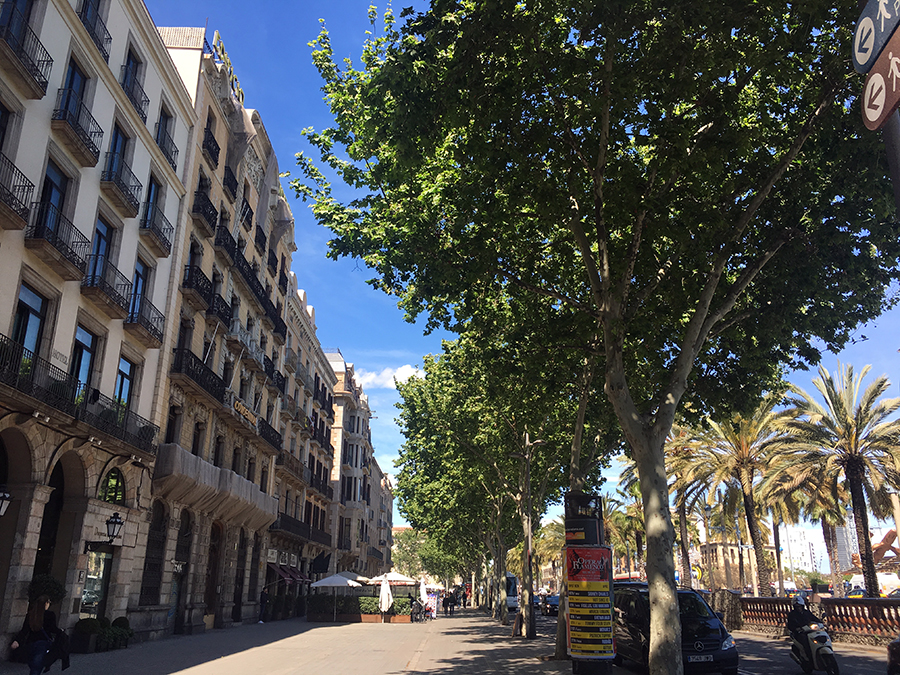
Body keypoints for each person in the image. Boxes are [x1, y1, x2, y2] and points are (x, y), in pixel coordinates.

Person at [10, 595, 68, 674]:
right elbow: (52, 629)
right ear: (46, 603)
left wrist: (17, 640)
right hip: (43, 644)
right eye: (49, 602)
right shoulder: (50, 615)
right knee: (36, 668)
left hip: (30, 643)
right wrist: (60, 631)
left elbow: (24, 630)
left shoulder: (31, 615)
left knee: (33, 666)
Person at [786, 595, 819, 664]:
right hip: (799, 633)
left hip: (810, 631)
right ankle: (808, 658)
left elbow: (814, 618)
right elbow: (790, 625)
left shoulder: (807, 613)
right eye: (797, 606)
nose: (799, 608)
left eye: (800, 606)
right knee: (805, 642)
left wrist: (822, 623)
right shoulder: (792, 614)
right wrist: (796, 629)